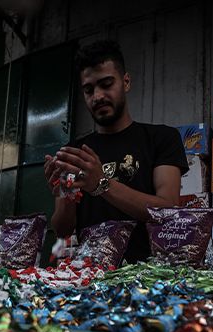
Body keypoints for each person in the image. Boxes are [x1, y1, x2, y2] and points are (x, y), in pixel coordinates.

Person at [46, 40, 187, 264]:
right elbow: (63, 229)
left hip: (149, 279)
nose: (97, 96)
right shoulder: (74, 153)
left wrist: (101, 183)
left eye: (106, 84)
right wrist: (65, 193)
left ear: (126, 82)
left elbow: (168, 210)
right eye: (89, 90)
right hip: (90, 277)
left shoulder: (162, 138)